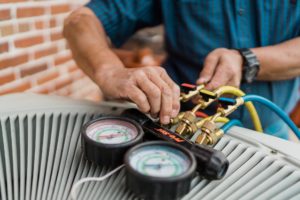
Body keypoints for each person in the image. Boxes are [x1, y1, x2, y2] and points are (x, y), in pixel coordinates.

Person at [63, 1, 300, 139]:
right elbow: (80, 20)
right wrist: (111, 72)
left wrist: (246, 60)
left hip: (273, 134)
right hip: (181, 131)